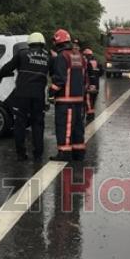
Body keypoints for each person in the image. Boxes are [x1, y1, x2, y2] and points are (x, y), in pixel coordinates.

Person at [0, 32, 50, 161]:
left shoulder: (22, 54)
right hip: (38, 96)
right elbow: (55, 73)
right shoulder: (48, 57)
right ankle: (38, 155)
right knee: (38, 124)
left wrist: (0, 76)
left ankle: (21, 154)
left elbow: (8, 67)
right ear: (42, 43)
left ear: (29, 43)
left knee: (20, 123)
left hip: (22, 94)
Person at [50, 28, 87, 161]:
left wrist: (51, 91)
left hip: (65, 100)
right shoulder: (80, 56)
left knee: (65, 127)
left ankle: (64, 153)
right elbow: (84, 78)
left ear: (58, 42)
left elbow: (59, 79)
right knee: (77, 127)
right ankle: (79, 152)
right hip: (78, 100)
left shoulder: (62, 57)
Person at [82, 48, 101, 120]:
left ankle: (90, 115)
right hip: (96, 84)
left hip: (89, 84)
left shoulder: (86, 62)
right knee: (93, 100)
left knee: (88, 100)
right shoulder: (97, 62)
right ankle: (91, 114)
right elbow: (101, 72)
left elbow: (86, 74)